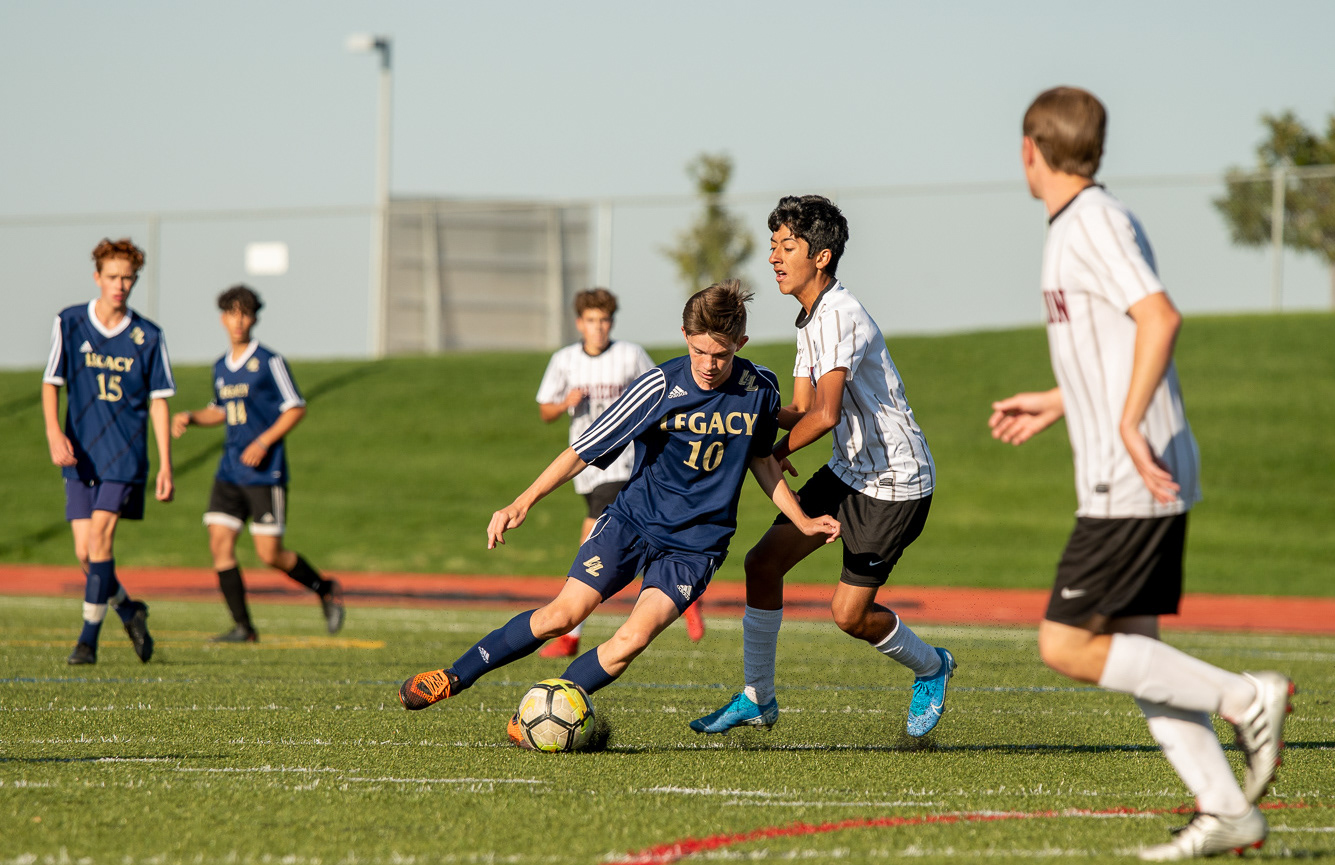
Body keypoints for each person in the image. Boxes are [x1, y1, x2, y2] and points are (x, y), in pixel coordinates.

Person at [988, 87, 1292, 861]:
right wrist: (1060, 401)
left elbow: (1160, 317)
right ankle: (1226, 809)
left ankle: (1244, 697)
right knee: (1136, 650)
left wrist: (1125, 424)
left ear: (1029, 149)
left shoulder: (1092, 221)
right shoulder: (1080, 223)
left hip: (1130, 473)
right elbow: (1116, 344)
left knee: (1065, 644)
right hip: (1129, 468)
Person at [398, 281, 839, 734]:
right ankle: (454, 676)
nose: (709, 365)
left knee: (632, 639)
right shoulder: (658, 386)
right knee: (561, 616)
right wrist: (521, 502)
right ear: (685, 336)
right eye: (699, 351)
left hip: (696, 546)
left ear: (740, 344)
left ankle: (538, 717)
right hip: (632, 523)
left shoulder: (759, 387)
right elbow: (581, 452)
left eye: (721, 355)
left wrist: (801, 519)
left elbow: (761, 459)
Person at [692, 196, 952, 739]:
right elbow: (799, 408)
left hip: (895, 483)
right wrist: (739, 406)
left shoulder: (840, 315)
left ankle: (932, 666)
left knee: (849, 615)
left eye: (786, 247)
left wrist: (774, 452)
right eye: (773, 246)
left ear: (822, 256)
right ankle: (757, 697)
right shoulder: (810, 317)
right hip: (848, 471)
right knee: (763, 565)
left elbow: (825, 415)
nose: (773, 257)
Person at [534, 289, 706, 655]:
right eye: (592, 320)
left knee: (591, 537)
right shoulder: (564, 360)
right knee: (635, 538)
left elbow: (667, 393)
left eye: (605, 320)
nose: (599, 327)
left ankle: (570, 634)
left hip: (622, 461)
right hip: (586, 465)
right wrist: (564, 404)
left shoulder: (630, 355)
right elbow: (545, 411)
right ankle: (684, 593)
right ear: (580, 323)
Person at [172, 285, 344, 641]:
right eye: (232, 313)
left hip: (265, 473)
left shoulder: (268, 362)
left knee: (270, 554)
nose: (239, 321)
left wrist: (264, 441)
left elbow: (295, 407)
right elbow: (220, 409)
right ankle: (244, 627)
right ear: (223, 318)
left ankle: (324, 588)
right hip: (229, 471)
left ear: (254, 319)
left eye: (246, 314)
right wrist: (191, 417)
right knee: (219, 543)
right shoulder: (220, 367)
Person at [41, 238, 174, 666]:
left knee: (101, 539)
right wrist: (53, 433)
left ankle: (87, 642)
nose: (120, 285)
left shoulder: (147, 336)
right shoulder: (71, 322)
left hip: (124, 455)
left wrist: (166, 465)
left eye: (128, 278)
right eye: (113, 276)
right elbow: (51, 382)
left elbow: (159, 400)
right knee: (85, 553)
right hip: (80, 454)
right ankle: (129, 610)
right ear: (97, 277)